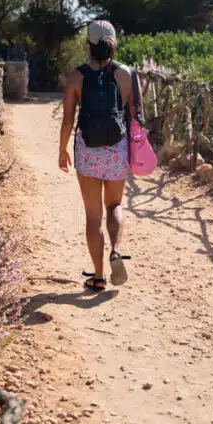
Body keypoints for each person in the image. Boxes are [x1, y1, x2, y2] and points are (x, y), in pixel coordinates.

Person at [59, 19, 137, 291]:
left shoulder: (76, 76)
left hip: (88, 151)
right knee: (114, 206)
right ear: (114, 43)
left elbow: (68, 120)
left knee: (93, 217)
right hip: (117, 149)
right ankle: (116, 251)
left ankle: (99, 276)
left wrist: (62, 150)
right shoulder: (126, 74)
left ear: (88, 44)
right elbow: (134, 116)